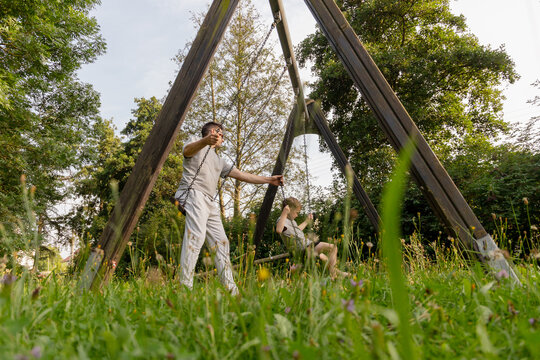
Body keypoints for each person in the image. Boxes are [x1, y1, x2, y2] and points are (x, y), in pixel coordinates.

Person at [175, 121, 283, 295]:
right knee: (196, 236)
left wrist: (269, 180)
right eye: (221, 135)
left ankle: (232, 291)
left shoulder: (219, 160)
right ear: (213, 132)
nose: (223, 140)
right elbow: (187, 151)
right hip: (193, 193)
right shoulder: (196, 141)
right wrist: (205, 141)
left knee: (221, 243)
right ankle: (184, 288)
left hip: (209, 202)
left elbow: (241, 175)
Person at [276, 197, 349, 279]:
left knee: (325, 259)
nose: (297, 215)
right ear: (289, 209)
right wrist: (284, 213)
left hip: (306, 247)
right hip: (304, 248)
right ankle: (334, 276)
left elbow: (296, 231)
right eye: (296, 212)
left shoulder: (292, 221)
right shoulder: (282, 219)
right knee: (332, 247)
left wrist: (307, 221)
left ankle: (340, 274)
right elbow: (279, 230)